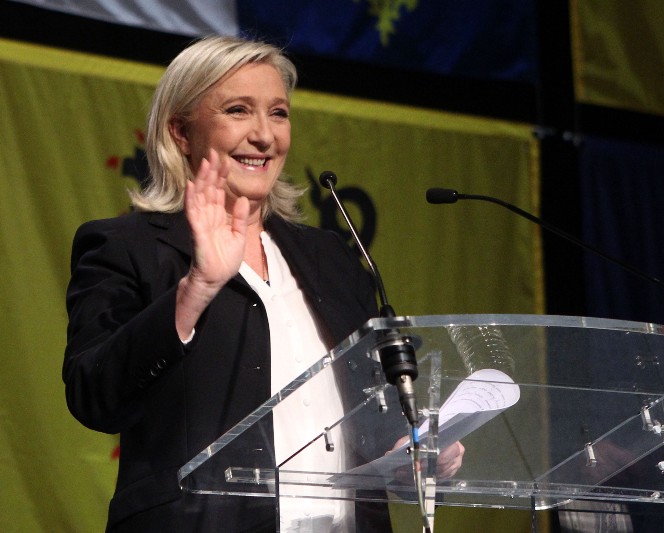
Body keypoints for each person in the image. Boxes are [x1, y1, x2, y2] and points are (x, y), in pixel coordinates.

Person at [63, 35, 462, 532]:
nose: (264, 136)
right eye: (238, 110)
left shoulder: (330, 258)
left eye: (278, 113)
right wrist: (197, 287)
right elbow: (94, 396)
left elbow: (374, 410)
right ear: (180, 132)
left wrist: (409, 450)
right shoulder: (127, 247)